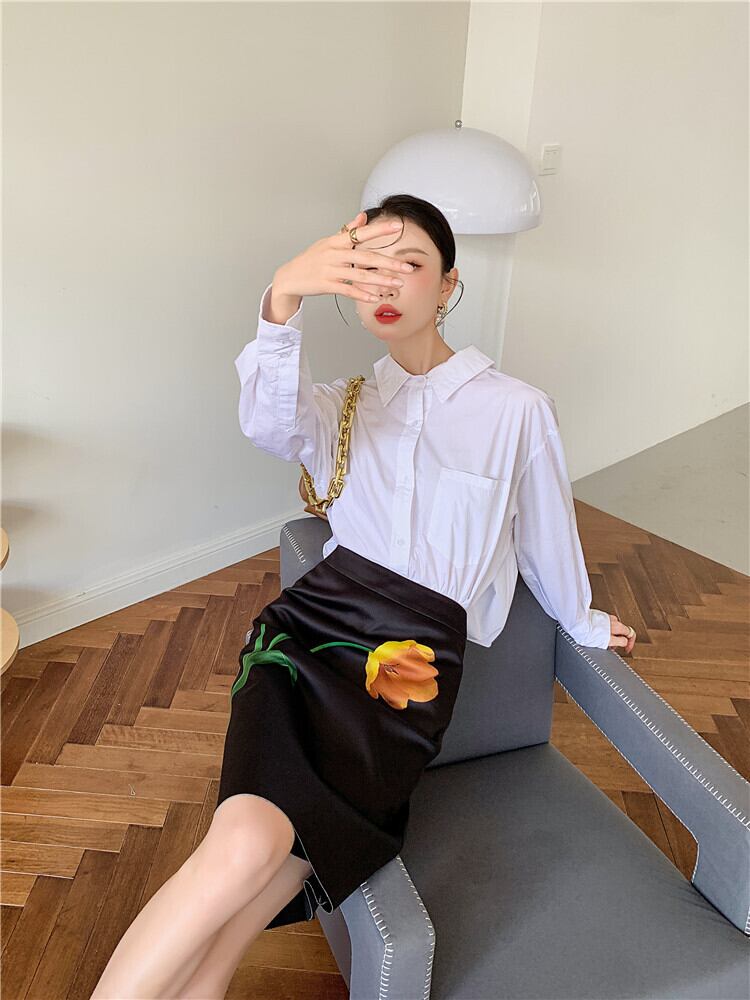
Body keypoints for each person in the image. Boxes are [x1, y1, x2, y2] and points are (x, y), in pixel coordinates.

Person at [91, 194, 636, 999]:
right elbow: (267, 424)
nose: (386, 283)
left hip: (406, 675)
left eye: (408, 264)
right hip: (308, 639)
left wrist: (583, 621)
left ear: (448, 285)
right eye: (367, 268)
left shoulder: (517, 411)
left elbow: (546, 534)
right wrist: (283, 295)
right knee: (243, 849)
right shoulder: (342, 404)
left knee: (266, 877)